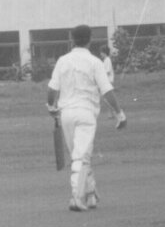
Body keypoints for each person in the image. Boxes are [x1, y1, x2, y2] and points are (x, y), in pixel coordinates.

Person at [46, 24, 127, 211]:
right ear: (90, 40)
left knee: (80, 155)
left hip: (66, 114)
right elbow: (107, 91)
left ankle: (90, 195)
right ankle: (76, 196)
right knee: (81, 156)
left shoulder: (62, 60)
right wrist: (119, 114)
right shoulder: (95, 62)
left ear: (72, 40)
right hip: (86, 113)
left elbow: (52, 89)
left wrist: (51, 107)